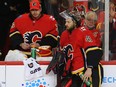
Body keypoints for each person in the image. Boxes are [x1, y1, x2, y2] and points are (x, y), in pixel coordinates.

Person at [59, 7, 103, 87]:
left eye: (68, 22)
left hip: (87, 71)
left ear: (75, 23)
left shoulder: (83, 32)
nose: (66, 24)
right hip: (75, 72)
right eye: (66, 22)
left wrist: (89, 68)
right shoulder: (66, 34)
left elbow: (93, 51)